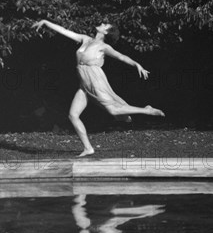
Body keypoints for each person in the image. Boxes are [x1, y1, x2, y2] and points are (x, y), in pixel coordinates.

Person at [32, 20, 165, 157]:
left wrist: (137, 64)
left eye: (105, 25)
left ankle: (146, 110)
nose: (101, 23)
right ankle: (88, 148)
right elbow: (65, 31)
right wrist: (45, 22)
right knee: (73, 115)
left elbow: (121, 56)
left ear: (106, 32)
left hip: (95, 79)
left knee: (112, 109)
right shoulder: (85, 39)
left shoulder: (103, 46)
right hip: (84, 83)